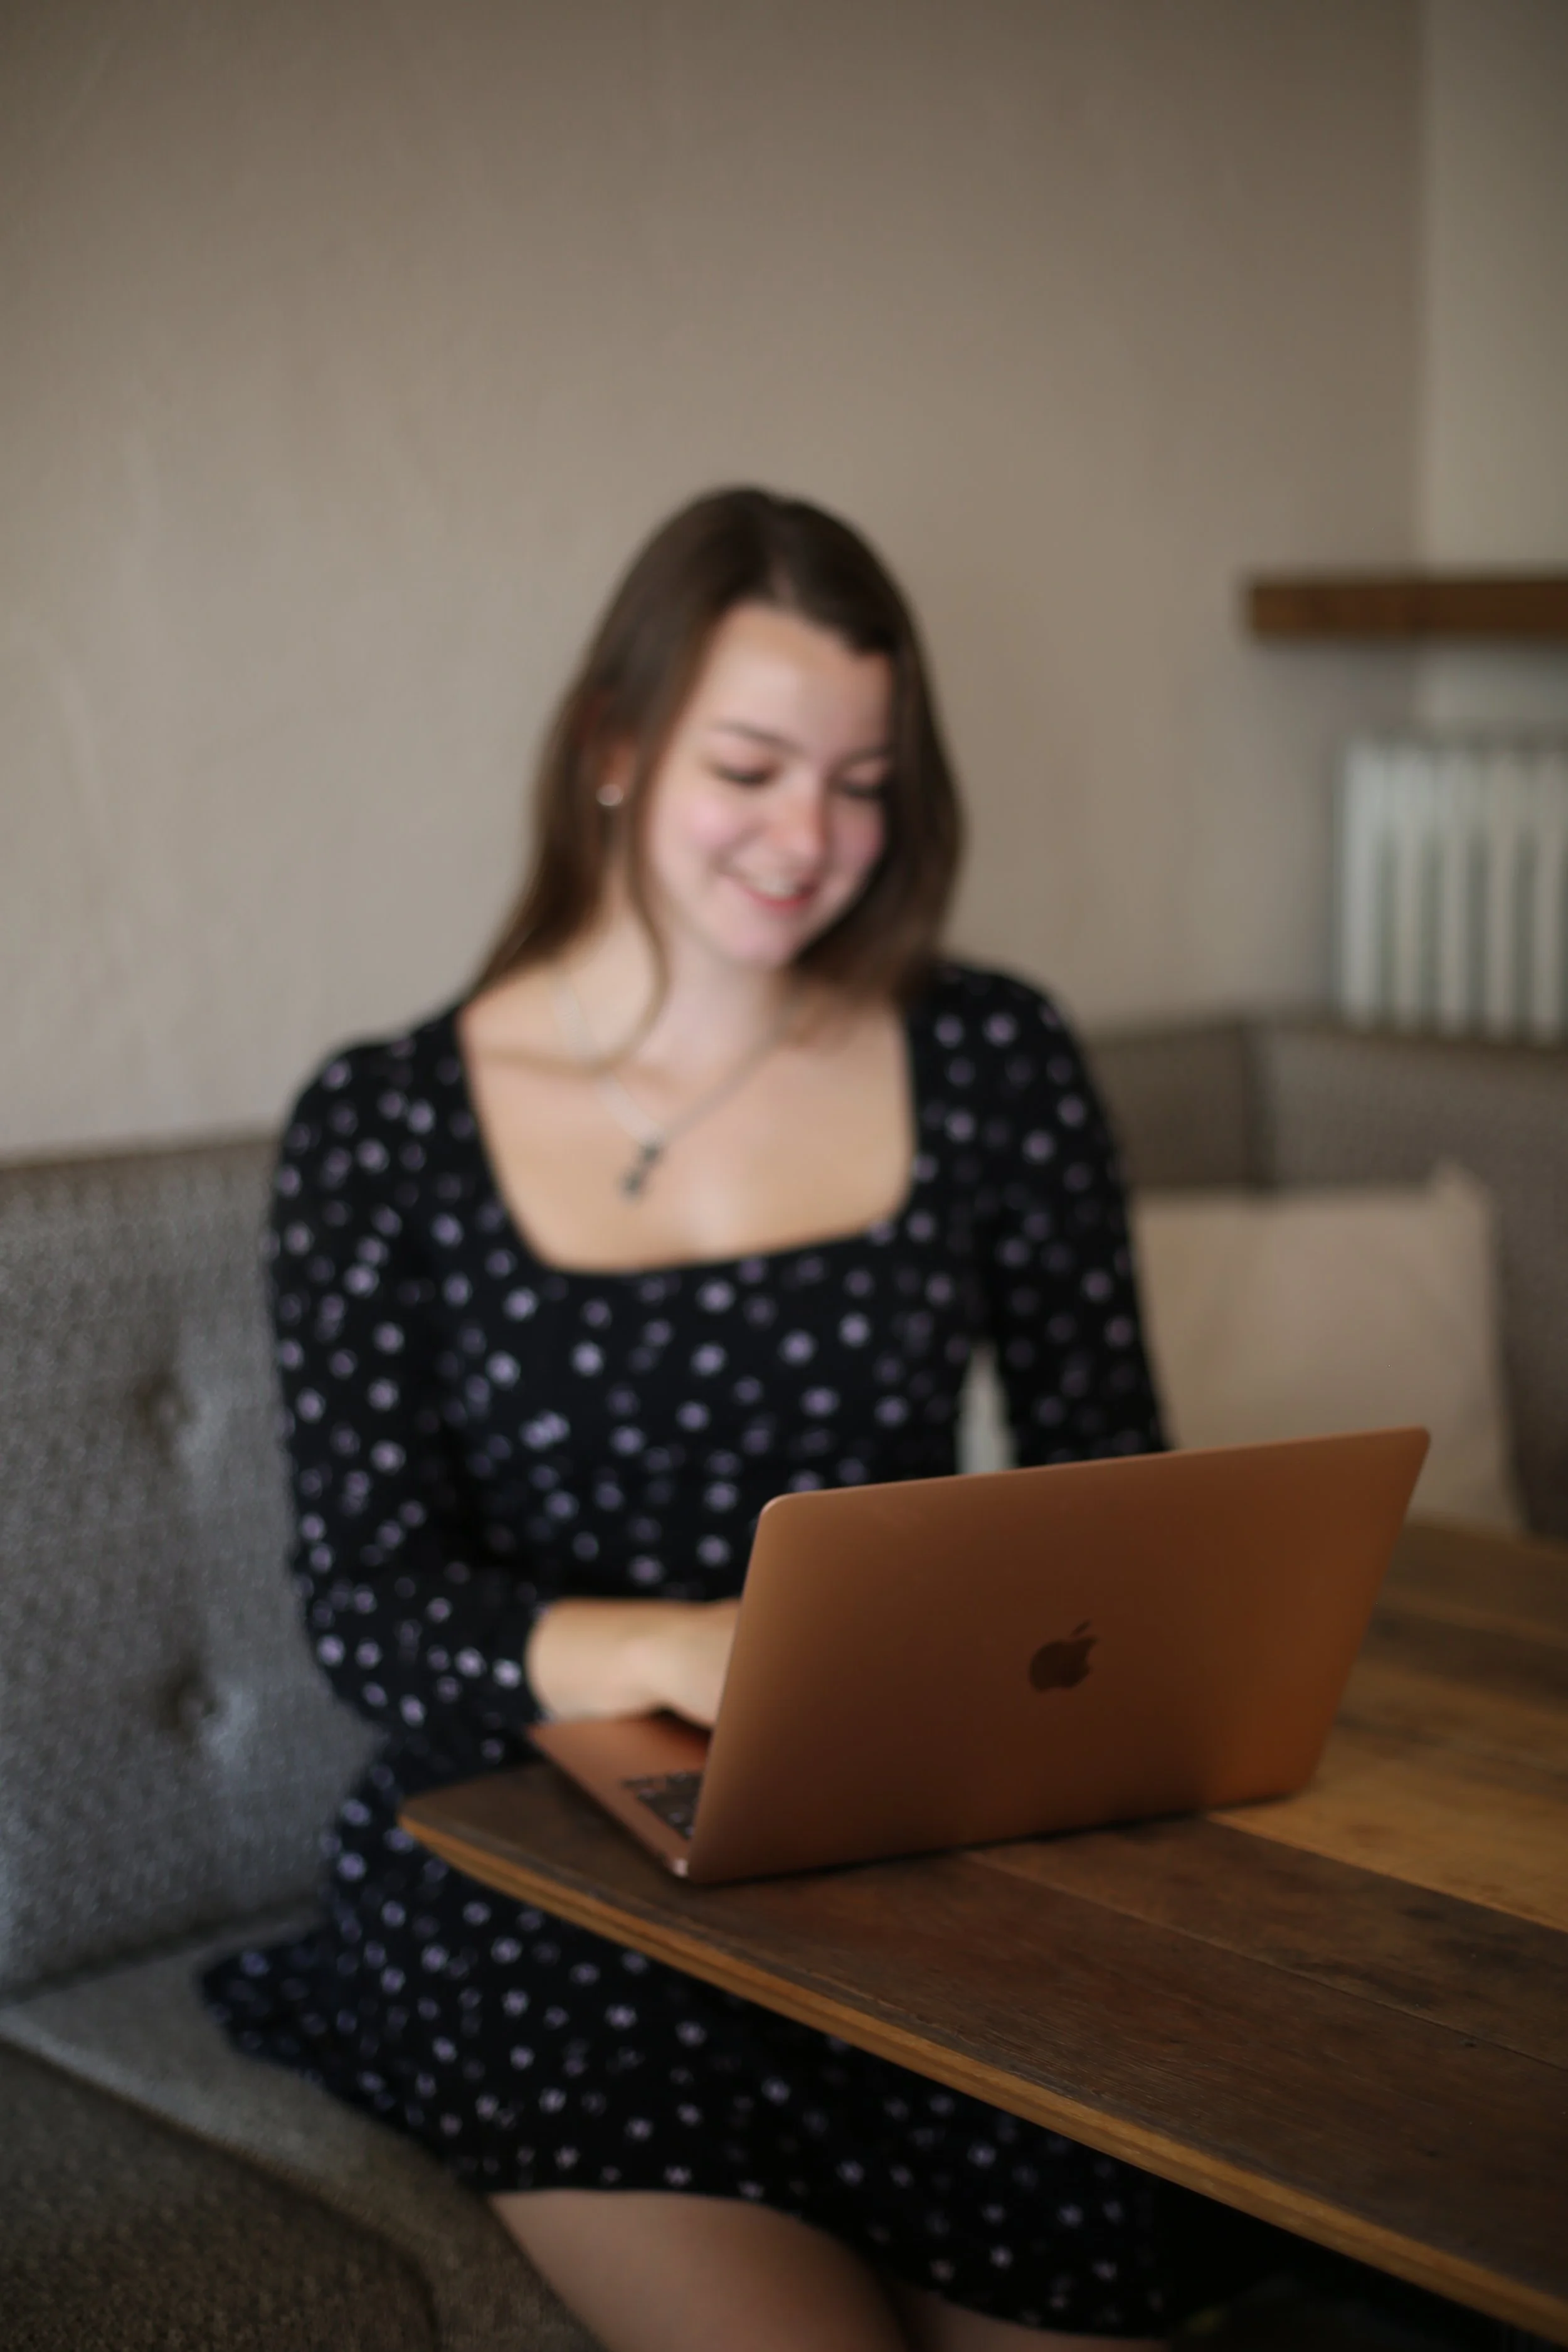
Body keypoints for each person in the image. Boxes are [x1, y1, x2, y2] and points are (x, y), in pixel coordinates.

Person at [205, 488, 1181, 2350]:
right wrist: (705, 1650)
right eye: (751, 764)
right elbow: (370, 1605)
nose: (809, 836)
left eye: (862, 779)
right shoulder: (386, 1125)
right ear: (615, 745)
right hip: (524, 1845)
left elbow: (1110, 1493)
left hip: (889, 1829)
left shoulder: (994, 1061)